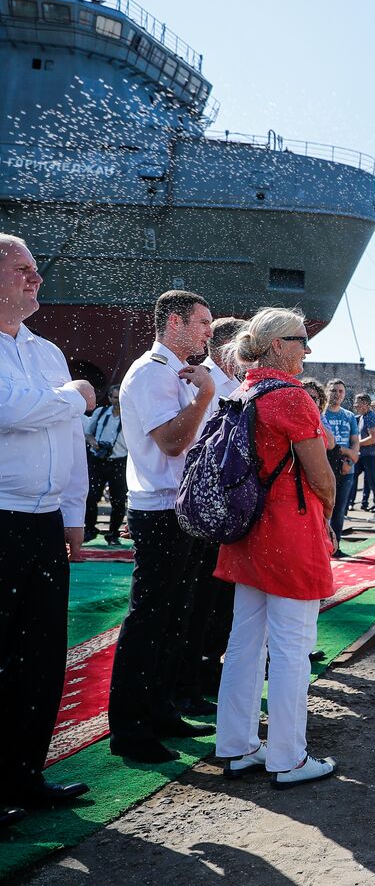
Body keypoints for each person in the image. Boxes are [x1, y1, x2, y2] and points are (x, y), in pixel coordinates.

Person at [214, 307, 339, 789]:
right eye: (301, 340)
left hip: (249, 530)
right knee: (293, 645)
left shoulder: (245, 389)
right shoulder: (289, 396)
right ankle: (288, 756)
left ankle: (238, 746)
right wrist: (328, 512)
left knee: (244, 642)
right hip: (289, 529)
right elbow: (320, 473)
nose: (308, 348)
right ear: (276, 346)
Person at [0, 234, 94, 825]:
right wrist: (75, 397)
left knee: (40, 657)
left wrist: (75, 514)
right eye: (23, 271)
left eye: (36, 270)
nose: (36, 280)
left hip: (43, 523)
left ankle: (25, 776)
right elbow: (11, 410)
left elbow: (65, 439)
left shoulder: (47, 352)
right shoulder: (61, 376)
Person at [108, 290, 216, 763]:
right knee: (149, 619)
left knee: (175, 616)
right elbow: (173, 443)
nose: (209, 332)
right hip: (159, 511)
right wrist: (208, 395)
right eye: (203, 322)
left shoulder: (178, 372)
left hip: (181, 508)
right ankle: (130, 728)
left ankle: (162, 709)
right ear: (174, 323)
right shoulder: (151, 373)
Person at [173, 315, 246, 716]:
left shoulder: (232, 386)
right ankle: (188, 681)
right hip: (204, 505)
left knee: (218, 601)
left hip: (224, 509)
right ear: (226, 348)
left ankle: (205, 671)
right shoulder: (205, 383)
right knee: (198, 601)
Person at [83, 385, 127, 545]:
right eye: (115, 398)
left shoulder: (129, 416)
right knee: (91, 496)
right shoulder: (100, 412)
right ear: (109, 398)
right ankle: (90, 530)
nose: (117, 402)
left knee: (118, 500)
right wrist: (93, 442)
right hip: (98, 460)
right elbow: (88, 433)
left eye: (120, 398)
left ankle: (113, 534)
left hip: (119, 461)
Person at [321, 378, 360, 556]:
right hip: (325, 466)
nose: (337, 394)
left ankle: (335, 547)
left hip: (345, 469)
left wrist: (350, 462)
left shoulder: (349, 416)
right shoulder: (321, 414)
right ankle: (321, 546)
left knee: (339, 509)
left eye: (340, 391)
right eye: (333, 390)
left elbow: (355, 443)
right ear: (327, 392)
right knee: (323, 508)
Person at [351, 393, 375, 519]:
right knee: (350, 478)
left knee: (374, 483)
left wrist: (356, 444)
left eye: (358, 403)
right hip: (362, 455)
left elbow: (374, 438)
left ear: (366, 404)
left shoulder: (371, 417)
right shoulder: (362, 417)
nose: (355, 405)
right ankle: (345, 508)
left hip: (370, 456)